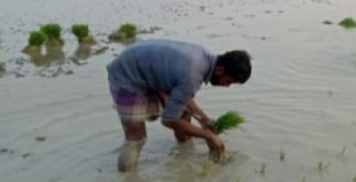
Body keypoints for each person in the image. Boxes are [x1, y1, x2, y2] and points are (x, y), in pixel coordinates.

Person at [106, 39, 252, 172]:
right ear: (220, 70)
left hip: (148, 69)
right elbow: (169, 120)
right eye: (228, 81)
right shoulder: (193, 75)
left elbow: (183, 95)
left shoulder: (205, 59)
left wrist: (204, 119)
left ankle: (184, 157)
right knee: (136, 139)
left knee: (184, 113)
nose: (227, 86)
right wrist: (208, 136)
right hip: (126, 75)